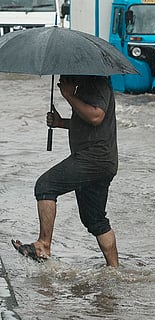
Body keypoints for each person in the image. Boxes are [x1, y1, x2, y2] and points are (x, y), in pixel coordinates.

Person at [12, 75, 119, 268]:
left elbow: (96, 116)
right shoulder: (85, 86)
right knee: (94, 220)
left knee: (45, 185)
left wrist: (69, 96)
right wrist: (61, 122)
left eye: (66, 73)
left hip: (94, 158)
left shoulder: (97, 83)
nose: (62, 77)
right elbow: (88, 122)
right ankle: (114, 271)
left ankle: (43, 245)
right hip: (100, 161)